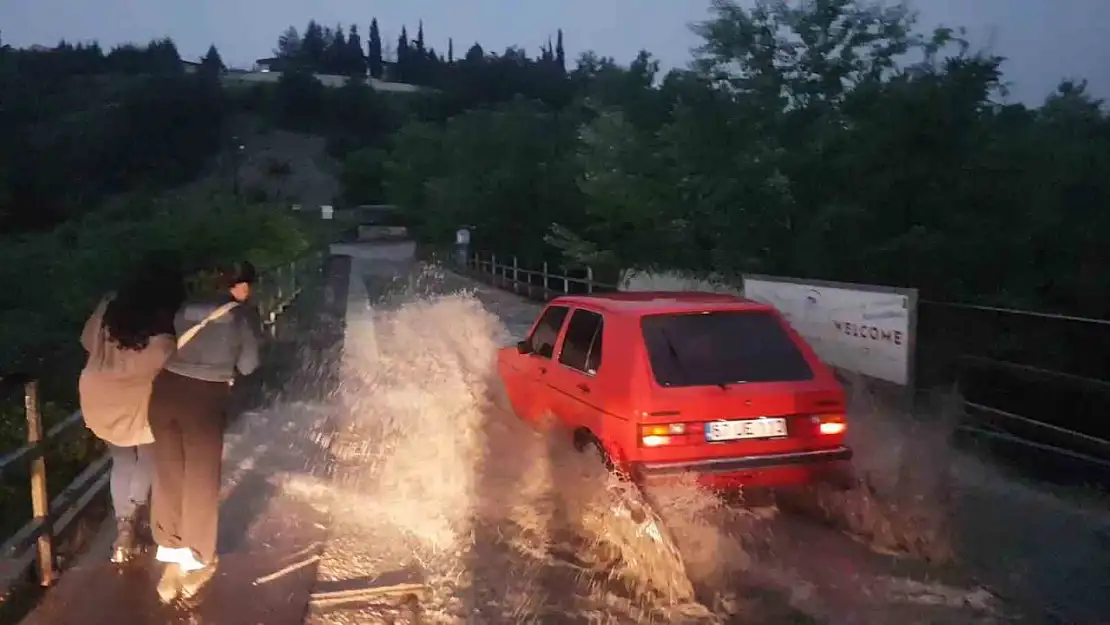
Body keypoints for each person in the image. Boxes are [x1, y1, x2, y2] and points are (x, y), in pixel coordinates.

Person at [148, 260, 260, 602]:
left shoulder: (184, 307)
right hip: (203, 399)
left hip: (164, 394)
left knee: (169, 475)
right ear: (240, 286)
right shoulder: (240, 315)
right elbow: (249, 365)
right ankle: (197, 560)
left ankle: (171, 558)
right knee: (200, 479)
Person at [78, 260, 185, 564]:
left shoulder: (111, 305)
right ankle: (133, 519)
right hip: (141, 397)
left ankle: (123, 527)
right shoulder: (164, 325)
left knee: (121, 459)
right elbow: (170, 360)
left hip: (99, 392)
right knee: (148, 456)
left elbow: (87, 340)